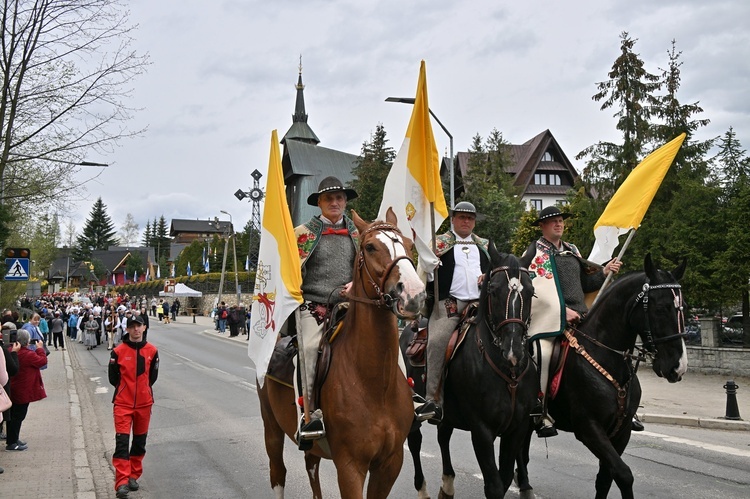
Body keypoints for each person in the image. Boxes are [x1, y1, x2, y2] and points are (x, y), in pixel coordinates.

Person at [519, 206, 622, 437]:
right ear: (542, 226)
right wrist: (562, 311)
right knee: (542, 354)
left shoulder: (572, 250)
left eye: (561, 221)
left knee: (610, 350)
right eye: (553, 221)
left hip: (581, 319)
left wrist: (604, 272)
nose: (559, 224)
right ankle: (540, 409)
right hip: (551, 320)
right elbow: (535, 289)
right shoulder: (535, 252)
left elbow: (584, 285)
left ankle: (622, 405)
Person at [292, 176, 360, 441]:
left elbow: (365, 266)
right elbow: (292, 273)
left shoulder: (358, 232)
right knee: (308, 348)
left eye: (339, 198)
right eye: (329, 198)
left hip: (352, 304)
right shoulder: (302, 234)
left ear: (345, 201)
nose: (335, 202)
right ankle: (307, 415)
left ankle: (407, 397)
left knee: (386, 335)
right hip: (314, 304)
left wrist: (356, 282)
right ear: (319, 202)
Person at [415, 202, 491, 424]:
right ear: (453, 220)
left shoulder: (484, 246)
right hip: (450, 303)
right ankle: (433, 399)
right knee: (437, 341)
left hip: (481, 302)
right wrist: (429, 270)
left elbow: (494, 272)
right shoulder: (438, 244)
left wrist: (488, 276)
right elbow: (424, 275)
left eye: (470, 218)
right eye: (461, 217)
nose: (466, 221)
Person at [108, 314, 159, 498]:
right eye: (132, 326)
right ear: (127, 329)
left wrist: (143, 391)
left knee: (139, 442)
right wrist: (125, 391)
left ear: (144, 328)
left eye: (139, 326)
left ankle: (133, 475)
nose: (136, 329)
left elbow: (152, 377)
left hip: (144, 404)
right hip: (123, 404)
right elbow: (113, 378)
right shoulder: (118, 351)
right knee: (122, 442)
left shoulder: (152, 351)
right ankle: (121, 482)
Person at [6, 329, 47, 451]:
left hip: (12, 388)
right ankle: (12, 442)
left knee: (12, 415)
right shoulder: (28, 354)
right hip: (23, 390)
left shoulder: (11, 351)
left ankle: (12, 438)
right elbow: (42, 361)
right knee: (18, 416)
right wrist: (40, 348)